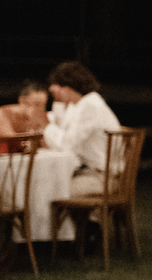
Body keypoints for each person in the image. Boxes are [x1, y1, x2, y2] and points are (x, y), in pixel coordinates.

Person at [43, 61, 122, 196]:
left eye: (56, 84)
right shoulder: (81, 104)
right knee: (45, 184)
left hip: (103, 177)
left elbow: (66, 145)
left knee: (48, 191)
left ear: (68, 87)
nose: (51, 88)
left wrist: (44, 125)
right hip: (89, 172)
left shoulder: (90, 106)